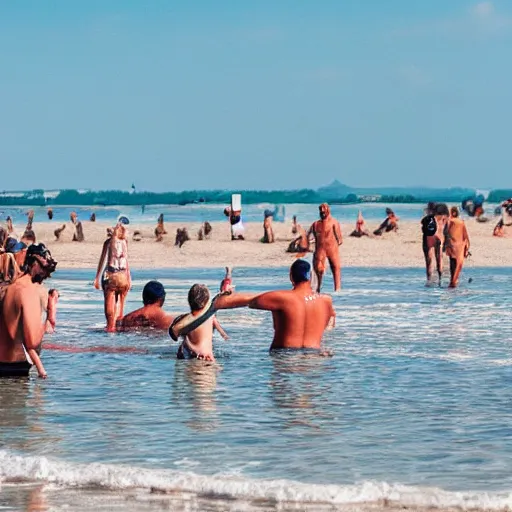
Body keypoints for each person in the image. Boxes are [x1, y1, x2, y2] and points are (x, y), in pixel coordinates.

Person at [0, 243, 58, 378]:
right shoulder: (27, 290)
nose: (46, 275)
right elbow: (32, 341)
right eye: (44, 269)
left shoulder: (10, 286)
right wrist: (48, 321)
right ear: (34, 264)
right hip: (14, 369)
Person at [171, 284, 230, 361]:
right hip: (208, 357)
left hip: (190, 354)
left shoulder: (183, 320)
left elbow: (176, 336)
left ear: (189, 301)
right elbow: (223, 334)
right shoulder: (211, 317)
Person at [94, 223, 131, 332]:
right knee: (120, 311)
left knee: (110, 317)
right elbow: (127, 261)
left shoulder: (108, 243)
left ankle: (110, 331)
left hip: (112, 275)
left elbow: (102, 260)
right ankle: (118, 330)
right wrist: (129, 278)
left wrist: (97, 277)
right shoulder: (125, 242)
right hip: (124, 276)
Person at [307, 203, 342, 292]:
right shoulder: (315, 224)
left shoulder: (334, 222)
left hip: (332, 249)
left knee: (335, 267)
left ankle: (337, 288)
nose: (322, 211)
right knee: (319, 269)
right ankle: (318, 288)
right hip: (320, 249)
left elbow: (340, 239)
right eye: (321, 210)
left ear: (328, 210)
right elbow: (309, 236)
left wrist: (335, 242)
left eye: (324, 209)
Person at [421, 202, 449, 285]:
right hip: (439, 238)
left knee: (429, 261)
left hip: (428, 238)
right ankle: (440, 280)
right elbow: (447, 230)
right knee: (439, 259)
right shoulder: (443, 218)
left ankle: (429, 280)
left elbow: (423, 227)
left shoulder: (427, 219)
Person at [445, 206, 470, 288]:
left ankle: (452, 280)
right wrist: (467, 246)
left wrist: (445, 244)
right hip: (460, 246)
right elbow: (465, 235)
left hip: (452, 245)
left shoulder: (451, 221)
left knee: (452, 263)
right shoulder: (461, 222)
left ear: (453, 213)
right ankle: (454, 281)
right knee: (456, 263)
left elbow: (446, 232)